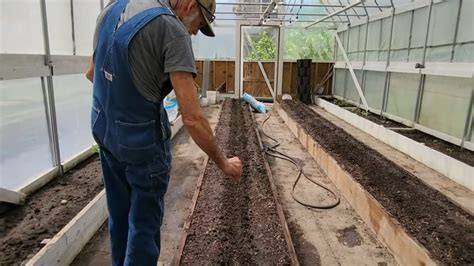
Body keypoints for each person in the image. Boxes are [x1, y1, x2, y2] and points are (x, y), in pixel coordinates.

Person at [85, 0, 243, 265]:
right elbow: (192, 118)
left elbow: (92, 74)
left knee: (119, 215)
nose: (194, 32)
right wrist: (223, 162)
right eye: (199, 24)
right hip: (140, 141)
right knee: (143, 226)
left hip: (104, 129)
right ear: (189, 5)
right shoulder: (172, 30)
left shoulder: (113, 8)